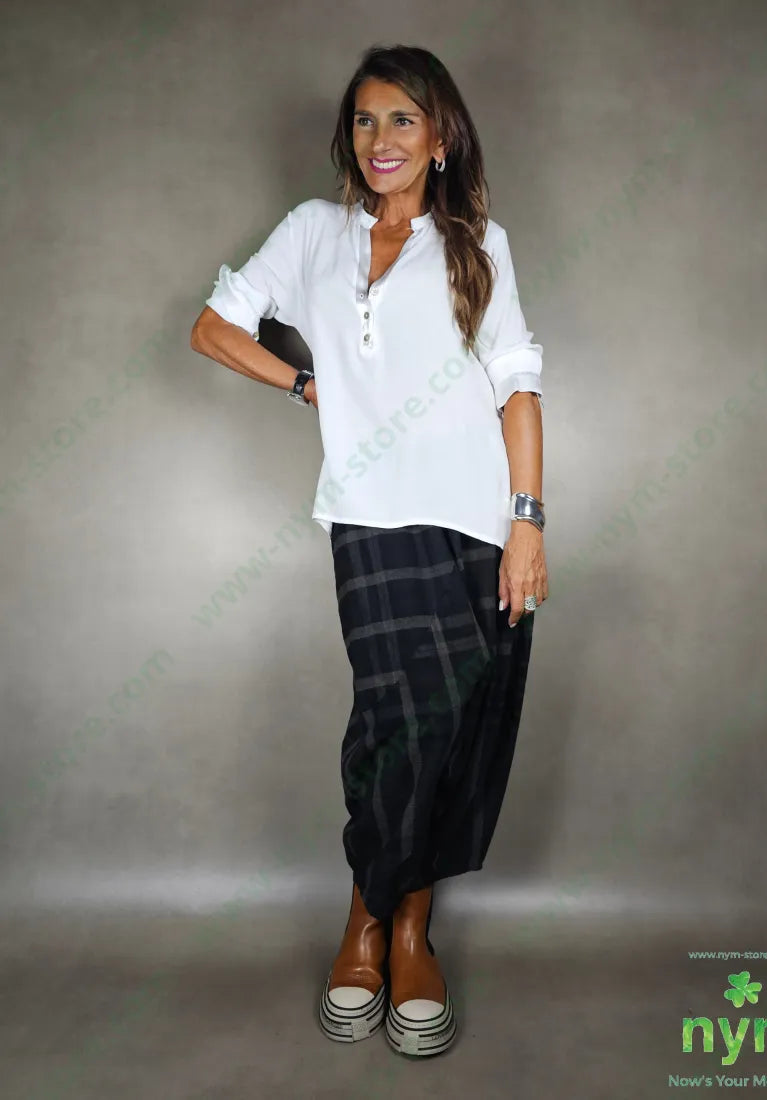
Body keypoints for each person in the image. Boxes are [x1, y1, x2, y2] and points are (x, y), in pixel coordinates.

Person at [190, 43, 549, 1059]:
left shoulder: (478, 244)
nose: (379, 139)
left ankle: (403, 929)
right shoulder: (314, 233)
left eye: (402, 119)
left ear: (440, 139)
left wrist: (526, 519)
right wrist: (310, 386)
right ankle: (369, 911)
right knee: (395, 723)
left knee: (452, 725)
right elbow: (214, 328)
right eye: (364, 119)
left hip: (476, 518)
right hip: (369, 512)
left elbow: (517, 383)